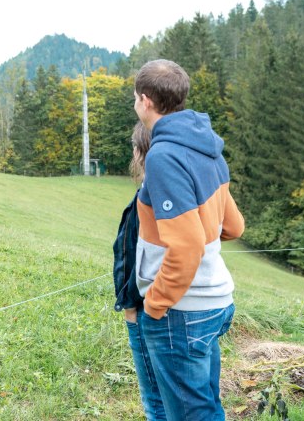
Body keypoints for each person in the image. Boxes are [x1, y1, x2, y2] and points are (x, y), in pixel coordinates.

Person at [132, 59, 245, 420]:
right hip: (215, 301)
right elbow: (234, 227)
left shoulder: (164, 155)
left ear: (145, 101)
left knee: (193, 415)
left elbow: (188, 246)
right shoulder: (207, 147)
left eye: (136, 97)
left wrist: (155, 305)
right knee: (205, 408)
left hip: (183, 310)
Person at [112, 121, 166, 420]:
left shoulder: (147, 196)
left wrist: (130, 304)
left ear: (139, 152)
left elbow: (133, 254)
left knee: (156, 402)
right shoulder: (184, 187)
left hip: (150, 310)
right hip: (197, 305)